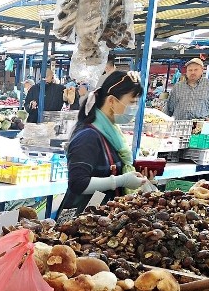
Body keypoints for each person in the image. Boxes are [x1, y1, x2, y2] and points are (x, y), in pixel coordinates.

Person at [57, 71, 148, 215]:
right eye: (132, 102)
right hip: (80, 222)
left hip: (101, 218)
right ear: (111, 101)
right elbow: (78, 183)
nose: (134, 108)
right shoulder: (88, 136)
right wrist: (122, 180)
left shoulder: (111, 133)